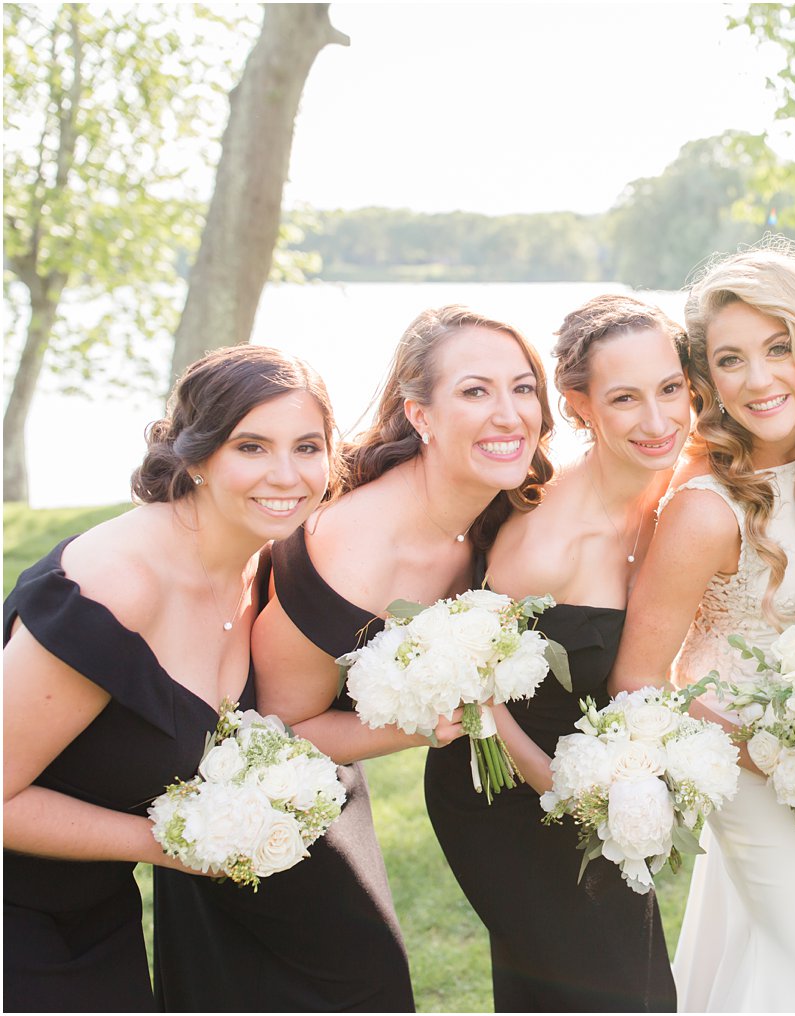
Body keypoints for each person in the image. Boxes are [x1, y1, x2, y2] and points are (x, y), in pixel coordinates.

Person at [3, 346, 336, 1011]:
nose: (286, 474)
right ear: (196, 456)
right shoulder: (116, 590)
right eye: (251, 446)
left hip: (97, 907)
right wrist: (181, 844)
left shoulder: (261, 566)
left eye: (307, 446)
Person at [245, 305, 555, 1011]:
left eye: (524, 387)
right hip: (263, 800)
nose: (509, 414)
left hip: (333, 786)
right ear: (421, 415)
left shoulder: (499, 503)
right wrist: (433, 721)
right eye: (475, 391)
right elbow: (278, 727)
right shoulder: (352, 554)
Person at [607, 242, 795, 1012]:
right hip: (750, 772)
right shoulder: (703, 508)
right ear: (707, 380)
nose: (759, 379)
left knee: (766, 965)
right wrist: (768, 756)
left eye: (778, 347)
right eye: (731, 360)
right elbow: (641, 679)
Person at [428, 295, 689, 1011]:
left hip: (597, 776)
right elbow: (475, 692)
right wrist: (576, 794)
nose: (658, 420)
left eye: (671, 389)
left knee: (637, 989)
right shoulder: (546, 542)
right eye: (626, 399)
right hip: (502, 785)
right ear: (578, 406)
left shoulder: (677, 486)